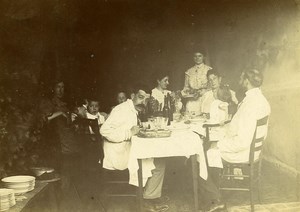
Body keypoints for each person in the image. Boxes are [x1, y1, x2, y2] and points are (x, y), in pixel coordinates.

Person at [199, 69, 271, 212]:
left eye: (241, 78)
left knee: (202, 154)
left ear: (247, 81)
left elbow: (242, 141)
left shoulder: (251, 104)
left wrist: (218, 144)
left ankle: (216, 199)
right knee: (209, 145)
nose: (239, 80)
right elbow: (241, 127)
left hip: (243, 151)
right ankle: (215, 192)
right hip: (251, 149)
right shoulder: (259, 99)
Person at [100, 84, 169, 212]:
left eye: (146, 100)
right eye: (140, 97)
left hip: (126, 148)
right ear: (132, 96)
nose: (143, 102)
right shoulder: (122, 110)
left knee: (157, 159)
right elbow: (104, 131)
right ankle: (147, 200)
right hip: (119, 153)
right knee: (159, 162)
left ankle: (150, 196)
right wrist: (129, 133)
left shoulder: (131, 109)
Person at [38, 80, 81, 211]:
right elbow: (44, 119)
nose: (61, 90)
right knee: (58, 175)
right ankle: (59, 206)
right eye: (58, 87)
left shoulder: (65, 105)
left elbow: (68, 123)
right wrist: (60, 113)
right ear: (52, 88)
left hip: (69, 144)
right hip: (56, 144)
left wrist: (73, 120)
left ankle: (67, 206)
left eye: (63, 87)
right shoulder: (48, 103)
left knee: (68, 174)